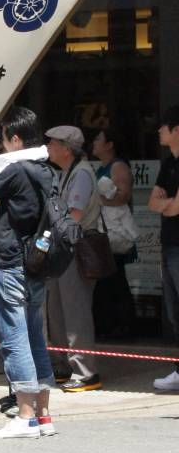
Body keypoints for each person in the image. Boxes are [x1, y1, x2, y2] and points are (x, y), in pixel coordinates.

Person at [0, 107, 56, 439]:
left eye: (4, 140)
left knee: (15, 339)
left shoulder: (16, 169)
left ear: (15, 138)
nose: (2, 146)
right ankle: (44, 415)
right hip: (35, 264)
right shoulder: (45, 169)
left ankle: (24, 415)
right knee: (36, 338)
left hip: (9, 264)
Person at [45, 125, 102, 392]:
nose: (48, 147)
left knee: (75, 311)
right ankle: (62, 365)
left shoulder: (81, 174)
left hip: (75, 249)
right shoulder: (68, 171)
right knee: (56, 310)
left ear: (66, 148)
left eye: (53, 143)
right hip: (63, 248)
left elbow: (74, 216)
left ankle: (85, 371)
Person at [91, 128, 137, 339]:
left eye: (99, 139)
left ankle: (123, 325)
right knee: (109, 279)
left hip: (115, 232)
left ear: (109, 144)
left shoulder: (117, 166)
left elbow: (123, 197)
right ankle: (110, 324)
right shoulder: (101, 167)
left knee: (115, 279)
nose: (94, 142)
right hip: (104, 232)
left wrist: (98, 200)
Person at [149, 106, 179, 392]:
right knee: (174, 312)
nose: (159, 130)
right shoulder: (169, 162)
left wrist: (168, 203)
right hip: (169, 244)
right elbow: (153, 203)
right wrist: (167, 203)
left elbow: (174, 207)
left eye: (164, 126)